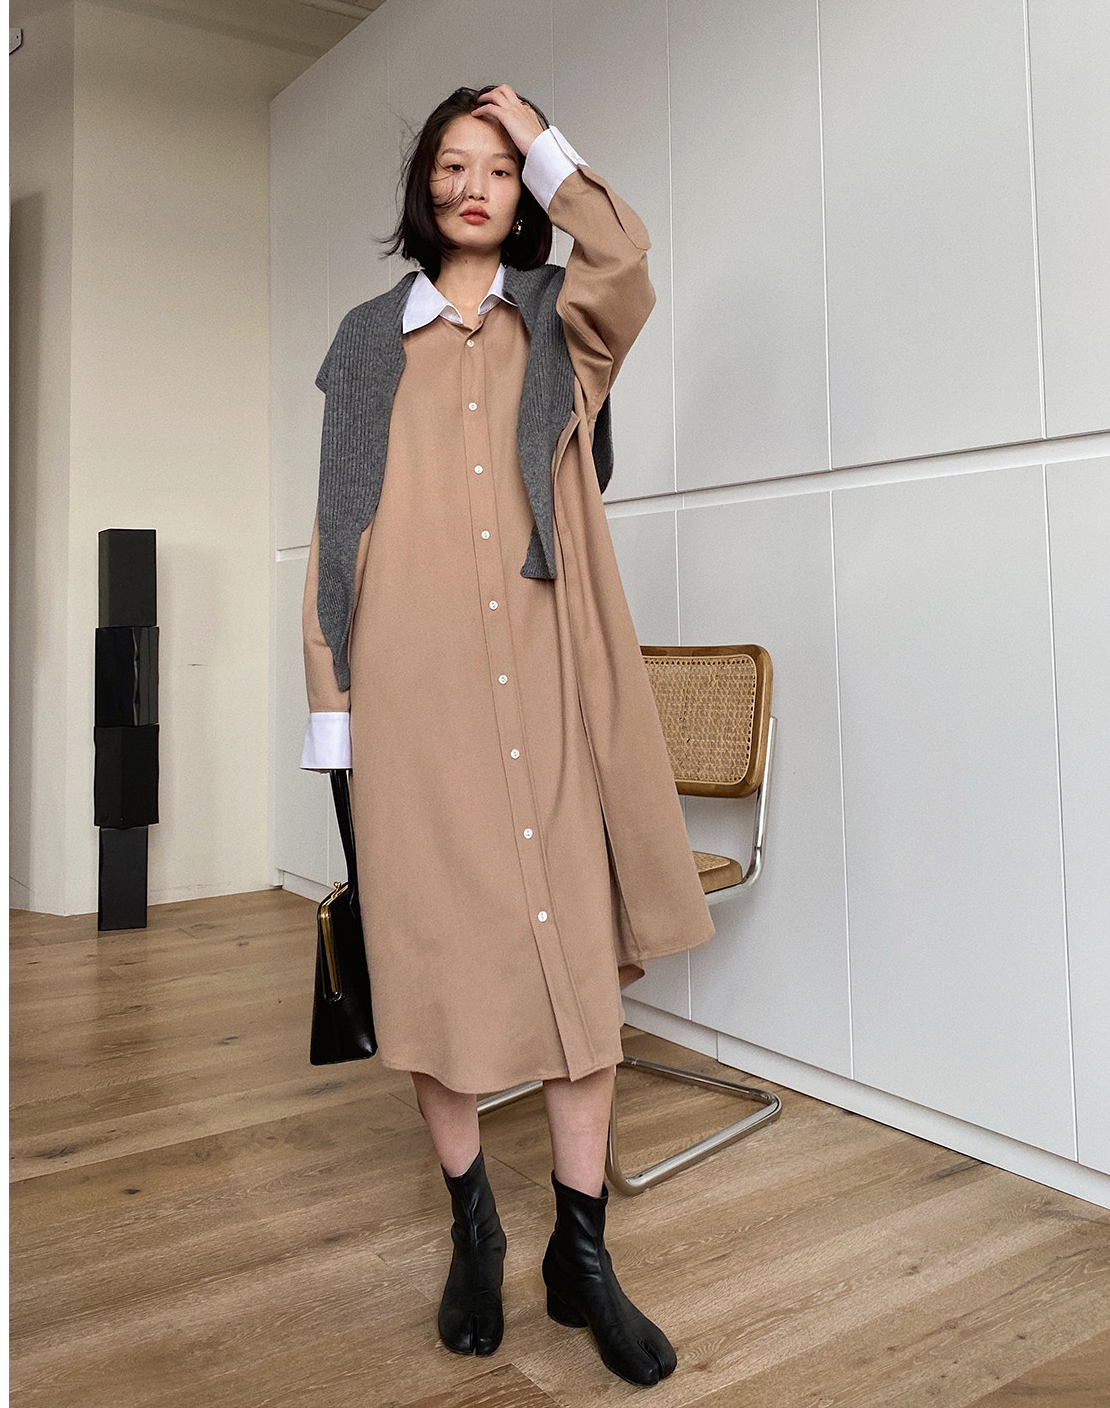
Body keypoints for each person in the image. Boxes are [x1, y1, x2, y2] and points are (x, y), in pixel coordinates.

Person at [300, 82, 715, 1387]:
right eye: (452, 164)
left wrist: (542, 139)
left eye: (496, 165)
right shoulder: (369, 343)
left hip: (550, 682)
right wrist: (331, 709)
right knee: (429, 960)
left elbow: (624, 253)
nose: (473, 183)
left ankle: (580, 1255)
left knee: (574, 959)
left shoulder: (560, 320)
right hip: (412, 697)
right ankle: (474, 1227)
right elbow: (335, 530)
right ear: (422, 190)